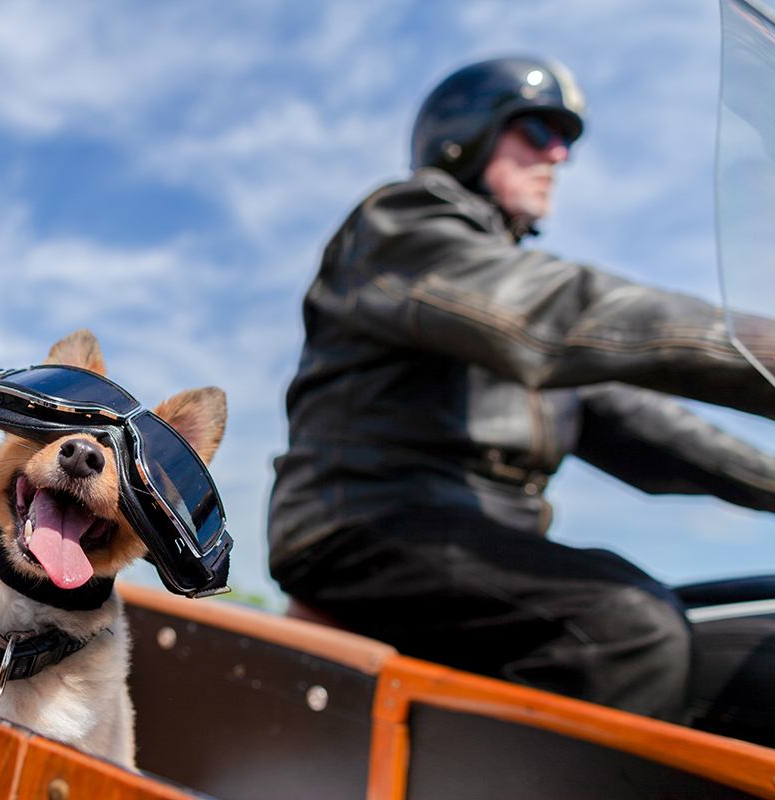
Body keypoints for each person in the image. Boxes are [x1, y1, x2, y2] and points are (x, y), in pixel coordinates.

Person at [267, 56, 775, 742]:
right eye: (536, 131)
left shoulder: (500, 290)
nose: (558, 154)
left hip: (479, 546)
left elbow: (649, 426)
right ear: (465, 134)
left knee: (740, 639)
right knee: (623, 628)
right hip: (367, 525)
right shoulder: (403, 228)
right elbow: (549, 316)